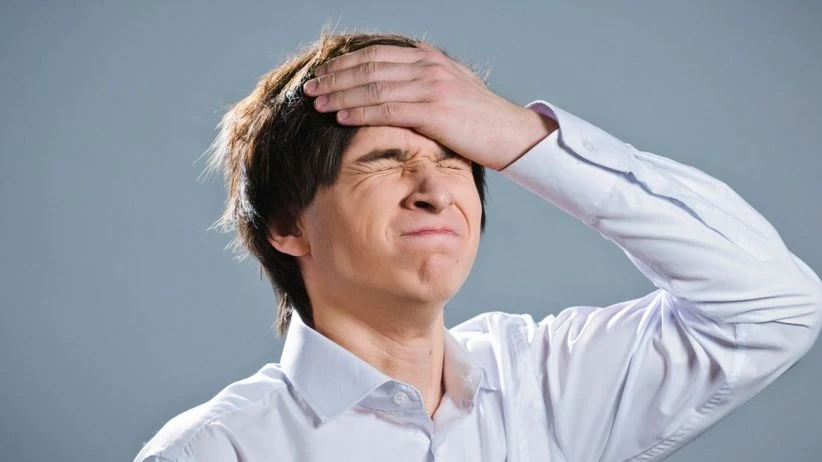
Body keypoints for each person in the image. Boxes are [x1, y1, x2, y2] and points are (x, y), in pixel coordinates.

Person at [133, 30, 822, 462]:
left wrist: (518, 134)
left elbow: (775, 308)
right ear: (288, 226)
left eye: (457, 158)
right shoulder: (214, 451)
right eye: (385, 161)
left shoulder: (546, 385)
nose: (436, 190)